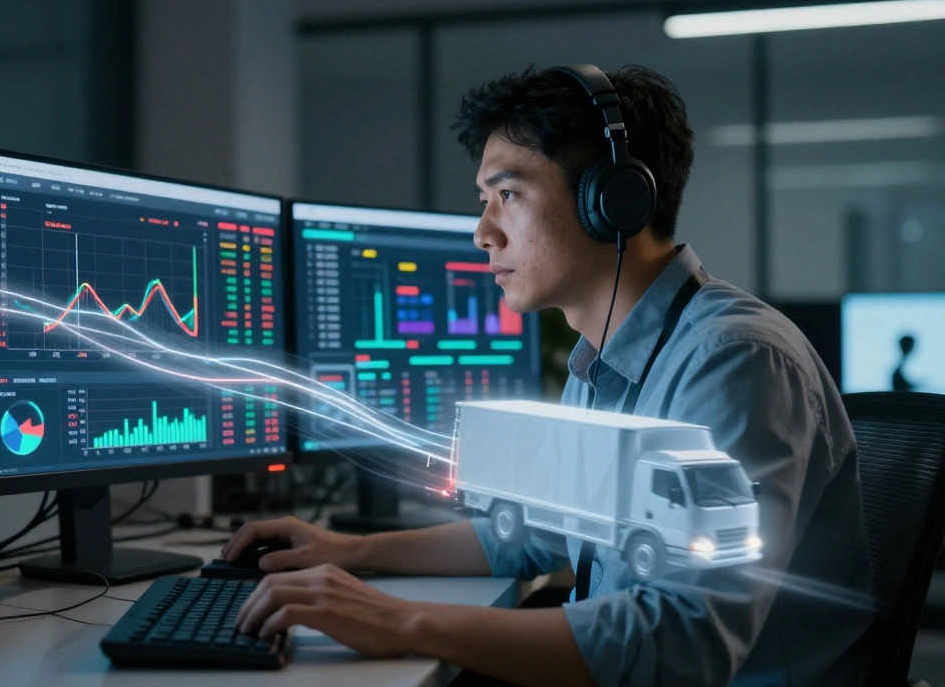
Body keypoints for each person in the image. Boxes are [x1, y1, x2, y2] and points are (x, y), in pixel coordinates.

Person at [225, 65, 873, 686]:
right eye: (485, 201)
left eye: (508, 195)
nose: (482, 233)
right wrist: (348, 551)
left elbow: (682, 645)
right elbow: (527, 537)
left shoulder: (732, 363)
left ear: (613, 202)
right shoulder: (602, 362)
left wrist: (400, 620)